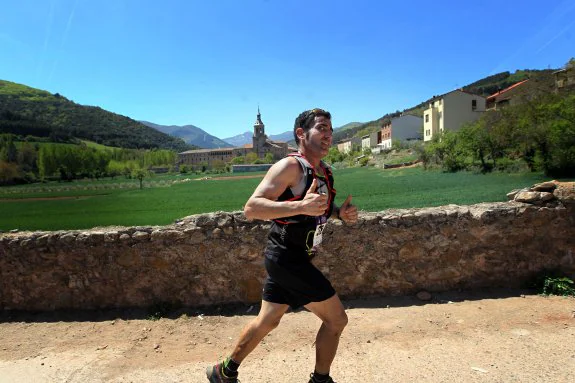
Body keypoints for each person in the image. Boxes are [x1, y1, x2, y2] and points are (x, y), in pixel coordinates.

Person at [206, 108, 358, 383]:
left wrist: (338, 214)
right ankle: (320, 380)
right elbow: (251, 208)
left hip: (292, 257)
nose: (328, 135)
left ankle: (223, 371)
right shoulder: (290, 166)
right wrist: (300, 205)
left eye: (330, 130)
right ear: (301, 134)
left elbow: (318, 207)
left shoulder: (322, 171)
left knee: (268, 320)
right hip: (288, 259)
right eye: (321, 128)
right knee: (337, 320)